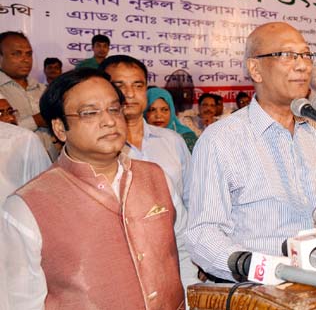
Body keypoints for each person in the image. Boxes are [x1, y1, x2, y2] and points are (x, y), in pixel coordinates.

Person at [184, 22, 316, 281]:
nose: (302, 66)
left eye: (306, 55)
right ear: (255, 69)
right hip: (261, 291)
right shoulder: (220, 140)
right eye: (288, 55)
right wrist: (262, 270)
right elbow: (203, 235)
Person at [2, 68, 187, 309]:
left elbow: (182, 251)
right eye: (90, 113)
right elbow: (21, 302)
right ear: (59, 128)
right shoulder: (26, 207)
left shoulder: (156, 177)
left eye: (114, 109)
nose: (109, 121)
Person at [99, 55, 191, 203]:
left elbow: (192, 198)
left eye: (138, 85)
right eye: (119, 85)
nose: (129, 93)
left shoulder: (172, 140)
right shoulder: (96, 148)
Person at [0, 31, 57, 160]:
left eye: (29, 54)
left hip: (50, 165)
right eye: (16, 53)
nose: (25, 59)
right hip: (11, 168)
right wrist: (36, 121)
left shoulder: (43, 89)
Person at [0, 93, 51, 199]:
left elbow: (45, 188)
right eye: (0, 114)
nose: (10, 118)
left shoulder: (27, 141)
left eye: (10, 112)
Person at [145, 87, 197, 153]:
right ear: (144, 112)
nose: (158, 115)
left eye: (164, 110)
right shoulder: (137, 138)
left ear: (171, 111)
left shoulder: (186, 137)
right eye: (152, 110)